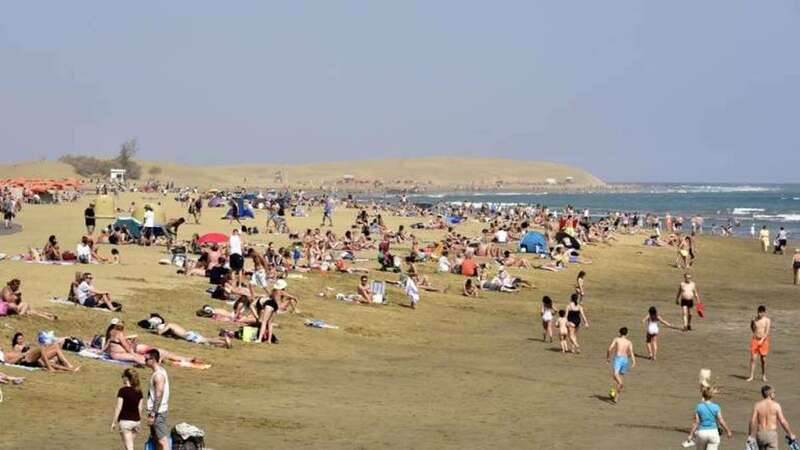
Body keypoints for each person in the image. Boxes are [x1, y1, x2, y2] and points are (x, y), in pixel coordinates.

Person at [748, 385, 796, 450]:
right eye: (774, 393)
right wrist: (790, 434)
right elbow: (783, 421)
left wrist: (750, 435)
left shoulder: (757, 405)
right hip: (771, 434)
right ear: (770, 394)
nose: (775, 394)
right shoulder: (776, 405)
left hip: (760, 434)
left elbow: (752, 421)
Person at [111, 368, 144, 450]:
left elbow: (119, 407)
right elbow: (140, 408)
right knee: (129, 445)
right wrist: (138, 420)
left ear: (126, 378)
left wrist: (114, 422)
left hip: (125, 422)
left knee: (129, 447)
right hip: (136, 421)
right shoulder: (139, 391)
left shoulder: (122, 391)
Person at [145, 349, 170, 450]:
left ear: (153, 360)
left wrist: (152, 414)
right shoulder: (160, 371)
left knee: (162, 441)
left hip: (158, 412)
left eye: (146, 359)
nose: (144, 361)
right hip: (158, 412)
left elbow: (158, 396)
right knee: (156, 439)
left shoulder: (158, 376)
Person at [606, 327, 635, 404]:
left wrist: (608, 358)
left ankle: (616, 391)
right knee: (620, 378)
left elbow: (609, 349)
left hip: (618, 359)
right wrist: (634, 361)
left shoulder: (616, 339)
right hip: (625, 360)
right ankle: (616, 397)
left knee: (616, 376)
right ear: (627, 334)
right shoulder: (629, 342)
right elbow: (631, 352)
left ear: (619, 333)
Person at [747, 305, 772, 382]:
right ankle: (751, 376)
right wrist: (754, 332)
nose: (760, 314)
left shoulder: (767, 320)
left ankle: (764, 375)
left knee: (763, 360)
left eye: (761, 313)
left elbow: (767, 332)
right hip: (755, 340)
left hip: (764, 341)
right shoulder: (754, 319)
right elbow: (751, 326)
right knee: (753, 359)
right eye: (759, 312)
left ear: (764, 313)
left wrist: (762, 340)